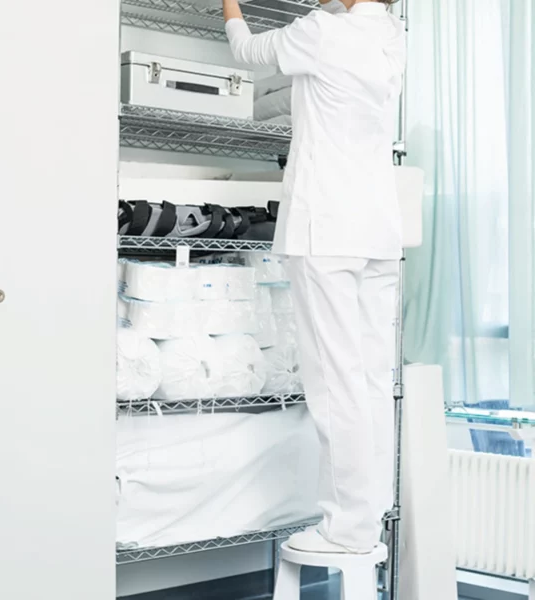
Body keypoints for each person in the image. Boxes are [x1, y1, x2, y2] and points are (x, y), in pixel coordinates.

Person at [222, 0, 406, 554]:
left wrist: (229, 5)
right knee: (371, 380)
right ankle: (367, 516)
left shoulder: (322, 32)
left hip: (325, 228)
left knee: (335, 381)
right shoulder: (391, 36)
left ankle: (345, 528)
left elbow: (246, 50)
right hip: (377, 231)